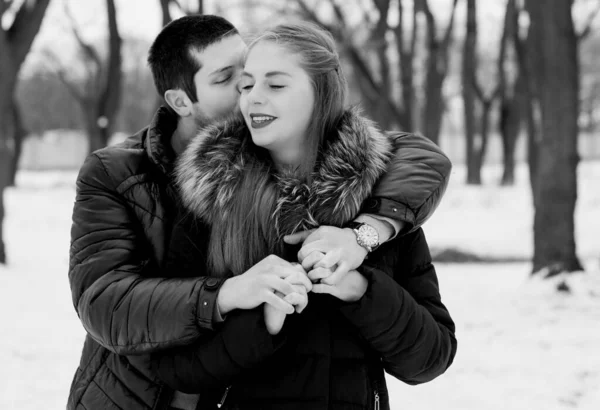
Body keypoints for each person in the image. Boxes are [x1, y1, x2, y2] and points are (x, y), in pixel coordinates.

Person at [66, 15, 452, 410]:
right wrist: (244, 303)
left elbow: (429, 355)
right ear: (181, 101)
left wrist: (360, 270)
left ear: (322, 91)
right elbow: (111, 307)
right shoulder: (201, 194)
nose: (246, 93)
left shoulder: (380, 199)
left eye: (272, 81)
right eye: (234, 80)